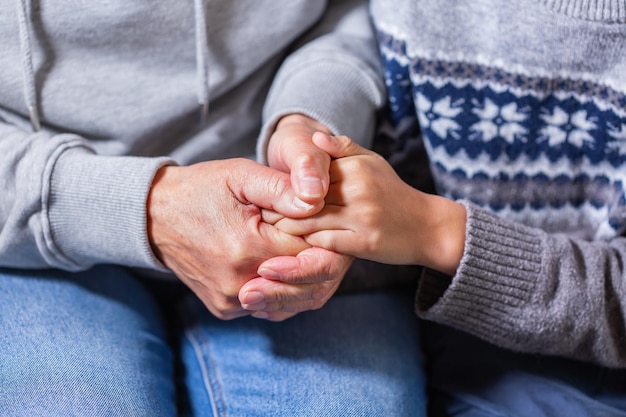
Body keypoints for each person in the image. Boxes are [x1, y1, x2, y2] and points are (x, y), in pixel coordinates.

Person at [0, 1, 427, 416]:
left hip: (280, 238)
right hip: (29, 230)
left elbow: (350, 17)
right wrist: (148, 211)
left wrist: (309, 124)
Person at [250, 1, 626, 416]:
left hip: (583, 372)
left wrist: (435, 231)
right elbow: (364, 41)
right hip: (396, 306)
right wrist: (311, 123)